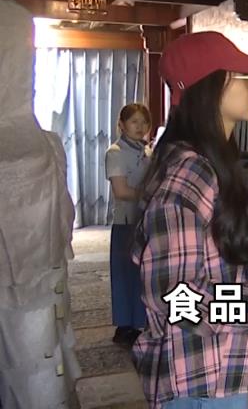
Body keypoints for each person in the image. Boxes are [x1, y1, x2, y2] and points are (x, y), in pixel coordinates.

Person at [130, 32, 248, 408]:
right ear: (207, 88)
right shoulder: (188, 174)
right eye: (242, 76)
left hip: (218, 368)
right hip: (195, 377)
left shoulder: (212, 164)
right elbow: (174, 296)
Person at [0, 0, 80, 408]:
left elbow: (64, 221)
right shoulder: (38, 146)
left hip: (40, 285)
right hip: (31, 285)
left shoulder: (45, 143)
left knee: (40, 368)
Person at [105, 102, 152, 346]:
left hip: (146, 220)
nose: (140, 127)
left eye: (144, 122)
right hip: (126, 222)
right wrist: (151, 193)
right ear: (122, 125)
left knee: (142, 274)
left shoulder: (148, 151)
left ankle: (140, 323)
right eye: (134, 122)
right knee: (125, 274)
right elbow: (121, 191)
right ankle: (125, 325)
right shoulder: (115, 152)